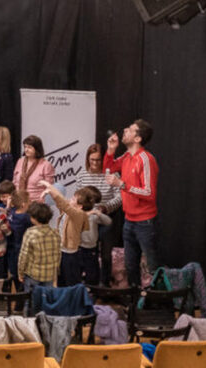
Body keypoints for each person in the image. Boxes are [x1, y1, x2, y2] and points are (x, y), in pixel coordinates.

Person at [104, 120, 159, 287]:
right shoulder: (127, 156)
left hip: (145, 222)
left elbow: (149, 193)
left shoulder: (145, 159)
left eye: (131, 130)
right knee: (130, 265)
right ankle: (135, 302)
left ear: (138, 139)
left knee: (151, 266)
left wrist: (121, 185)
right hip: (129, 220)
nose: (125, 130)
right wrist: (111, 150)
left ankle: (156, 302)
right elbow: (109, 167)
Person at [77, 143, 122, 286]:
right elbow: (78, 196)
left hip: (106, 217)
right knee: (89, 253)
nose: (95, 163)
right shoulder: (82, 175)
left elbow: (120, 196)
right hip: (88, 219)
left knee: (106, 254)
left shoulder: (112, 174)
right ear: (87, 159)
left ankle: (105, 282)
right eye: (92, 160)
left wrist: (105, 207)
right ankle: (92, 283)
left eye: (98, 160)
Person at [42, 181, 100, 286]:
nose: (70, 199)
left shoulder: (78, 214)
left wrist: (49, 187)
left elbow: (63, 203)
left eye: (73, 199)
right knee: (61, 280)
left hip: (71, 254)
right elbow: (61, 200)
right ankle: (63, 300)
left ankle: (73, 301)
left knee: (71, 281)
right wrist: (50, 190)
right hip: (62, 251)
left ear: (80, 206)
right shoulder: (71, 210)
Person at [17, 201, 60, 292]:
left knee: (30, 300)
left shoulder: (30, 232)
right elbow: (58, 255)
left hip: (33, 274)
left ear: (34, 218)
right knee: (46, 299)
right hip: (50, 274)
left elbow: (23, 256)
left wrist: (20, 273)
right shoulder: (55, 233)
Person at [13, 135, 54, 203]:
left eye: (29, 147)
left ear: (37, 149)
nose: (26, 150)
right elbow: (14, 181)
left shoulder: (46, 165)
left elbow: (49, 187)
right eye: (25, 147)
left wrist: (42, 198)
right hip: (18, 202)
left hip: (36, 205)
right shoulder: (20, 161)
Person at [5, 190, 32, 282]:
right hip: (21, 247)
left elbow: (8, 211)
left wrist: (9, 205)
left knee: (14, 271)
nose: (30, 202)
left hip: (11, 246)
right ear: (23, 204)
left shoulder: (12, 212)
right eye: (29, 201)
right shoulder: (26, 218)